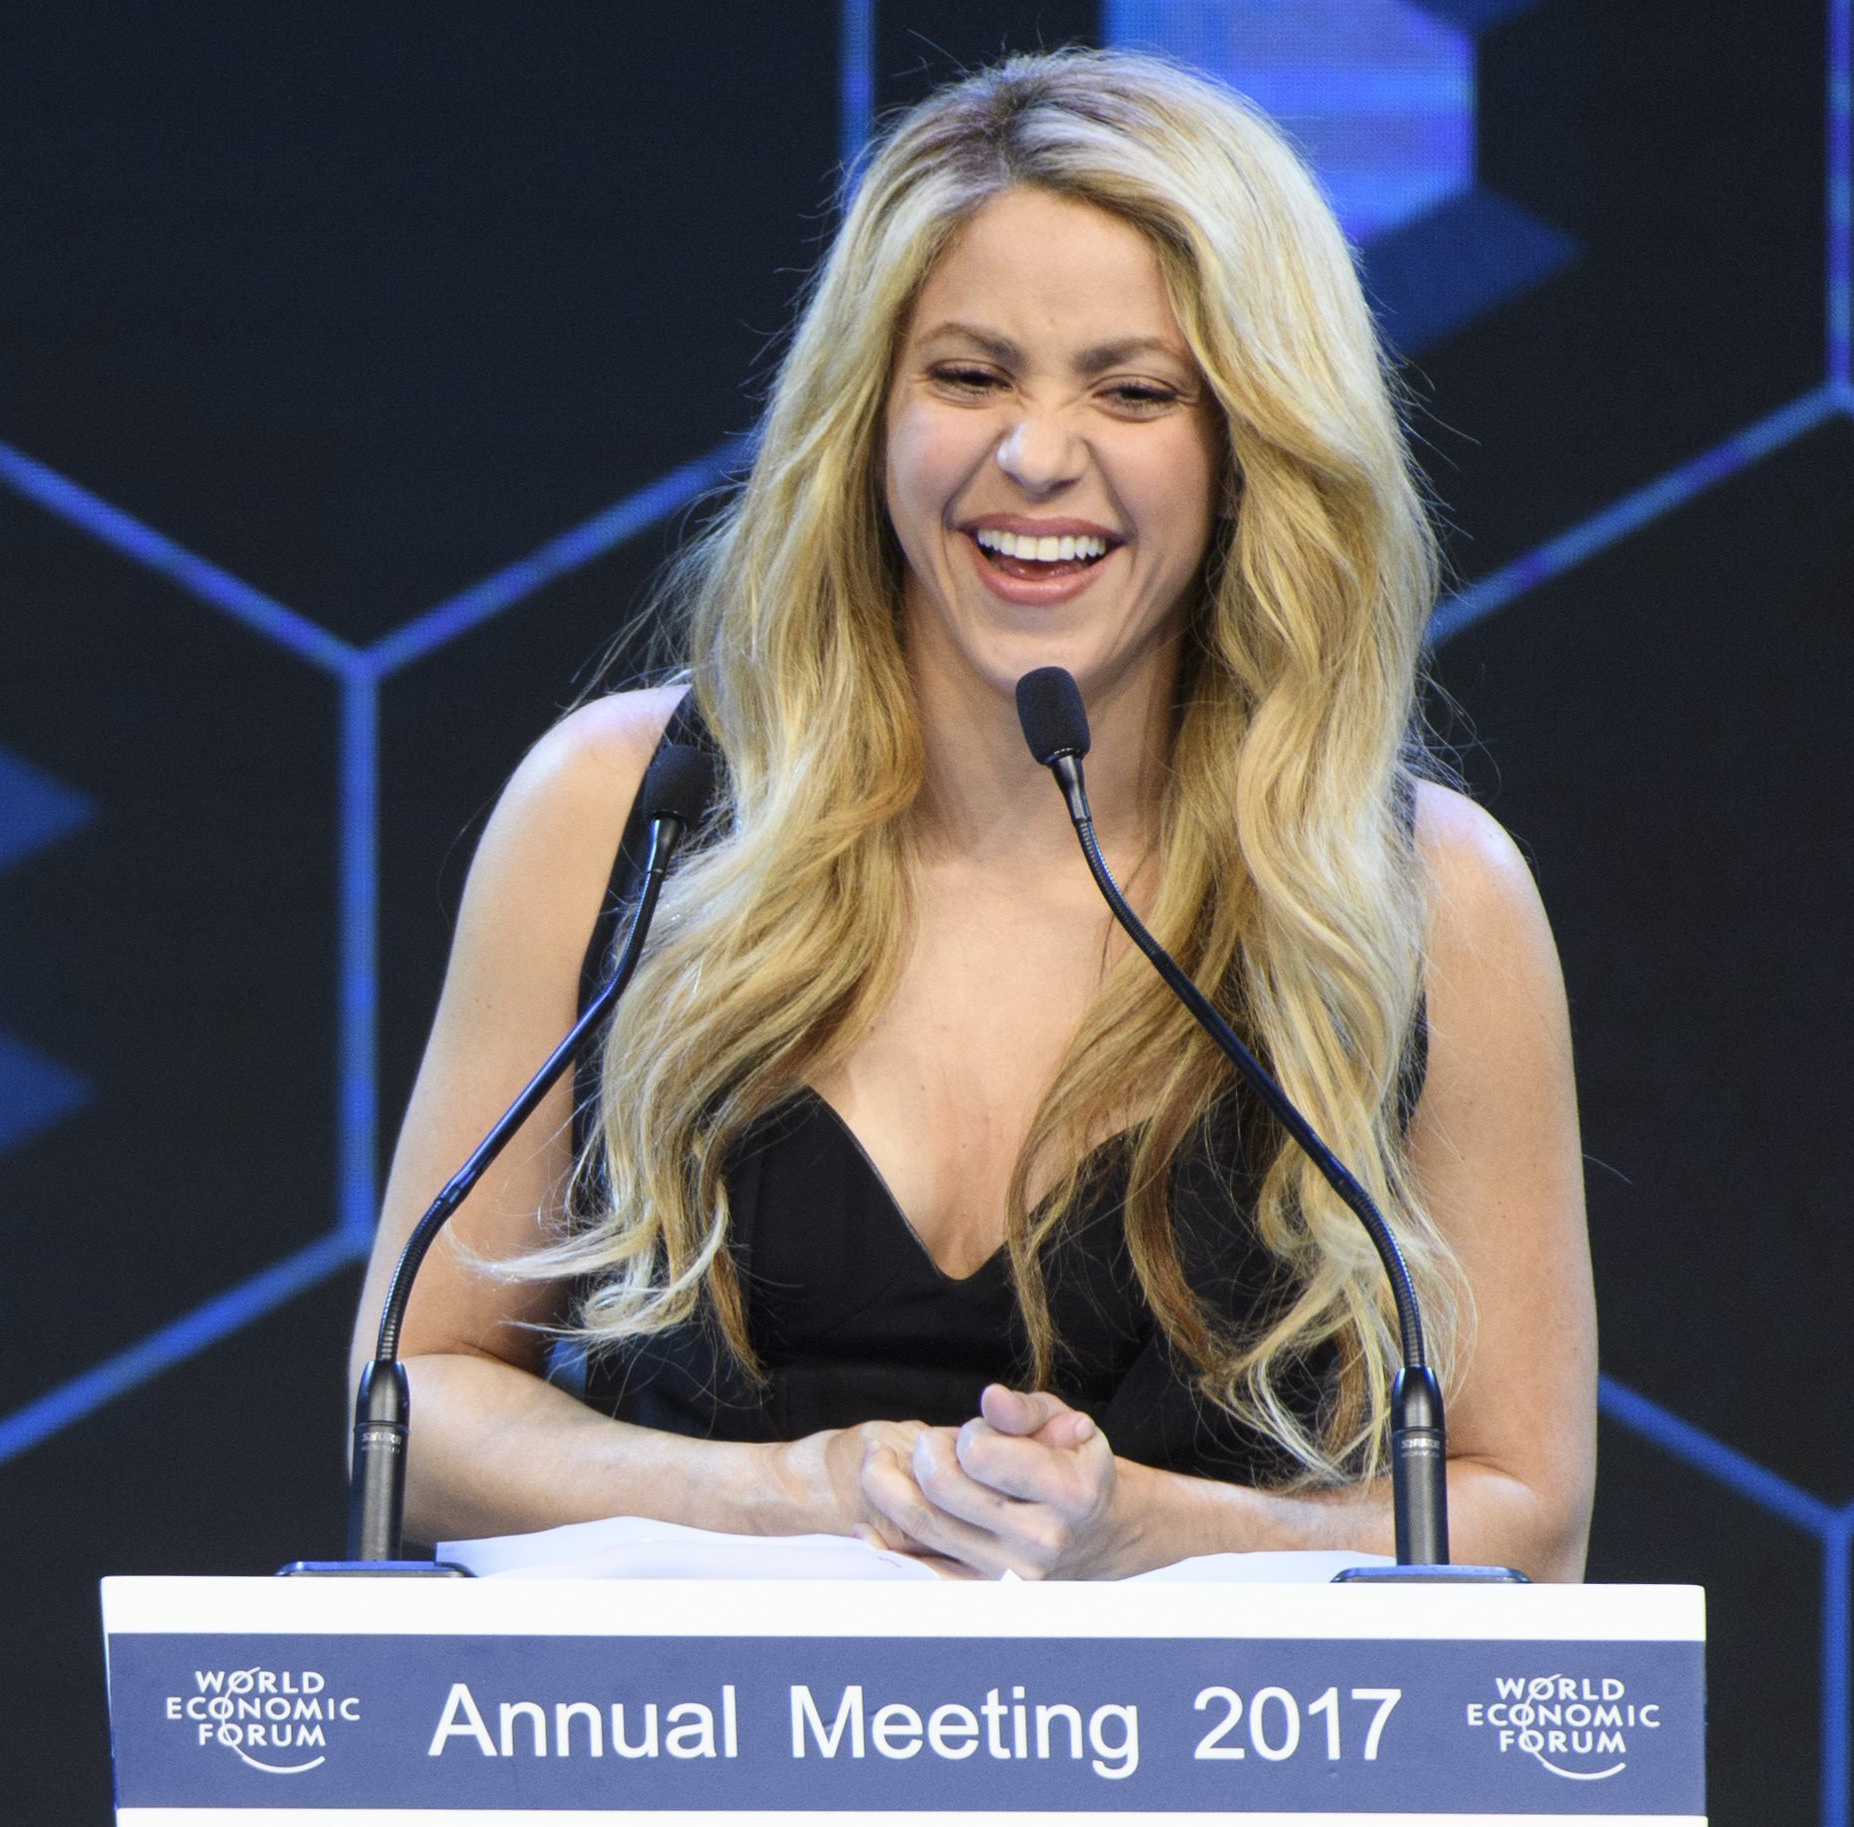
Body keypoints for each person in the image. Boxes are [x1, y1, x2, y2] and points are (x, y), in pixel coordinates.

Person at [350, 48, 1594, 1581]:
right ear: (867, 415)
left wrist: (1151, 1531)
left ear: (1247, 447)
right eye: (970, 374)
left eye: (1133, 391)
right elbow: (408, 1407)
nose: (1035, 455)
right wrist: (799, 1492)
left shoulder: (1422, 897)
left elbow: (1523, 1518)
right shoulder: (630, 812)